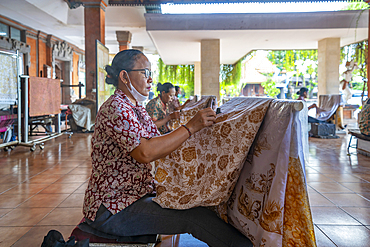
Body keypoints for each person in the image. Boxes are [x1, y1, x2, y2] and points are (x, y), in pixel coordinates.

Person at [82, 49, 252, 247]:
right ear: (124, 76)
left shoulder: (136, 108)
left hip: (134, 196)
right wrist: (190, 127)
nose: (151, 79)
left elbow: (159, 143)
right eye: (145, 73)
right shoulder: (117, 107)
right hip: (114, 208)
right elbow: (146, 152)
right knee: (196, 217)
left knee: (199, 200)